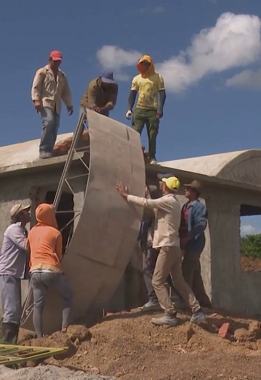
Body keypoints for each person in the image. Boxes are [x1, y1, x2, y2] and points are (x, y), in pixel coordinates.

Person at [116, 176, 206, 326]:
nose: (161, 185)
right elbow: (154, 208)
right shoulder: (174, 203)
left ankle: (169, 313)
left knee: (157, 281)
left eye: (163, 184)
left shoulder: (168, 201)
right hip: (174, 247)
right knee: (179, 281)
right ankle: (197, 311)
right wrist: (147, 194)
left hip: (167, 247)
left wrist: (126, 195)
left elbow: (147, 204)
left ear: (166, 187)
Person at [27, 203, 74, 337]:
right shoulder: (55, 233)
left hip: (35, 272)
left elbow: (28, 249)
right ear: (49, 216)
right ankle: (64, 329)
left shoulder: (31, 232)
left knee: (38, 306)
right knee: (68, 297)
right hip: (51, 271)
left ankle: (40, 337)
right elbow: (59, 256)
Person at [0, 203, 31, 344]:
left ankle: (12, 343)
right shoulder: (14, 229)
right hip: (7, 273)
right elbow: (26, 246)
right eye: (26, 212)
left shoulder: (22, 230)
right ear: (20, 215)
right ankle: (7, 344)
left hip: (13, 274)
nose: (29, 213)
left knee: (15, 310)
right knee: (11, 310)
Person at [31, 50, 74, 159]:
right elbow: (36, 86)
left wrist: (69, 104)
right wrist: (36, 100)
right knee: (49, 122)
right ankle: (43, 149)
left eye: (58, 61)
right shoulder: (42, 72)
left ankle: (49, 150)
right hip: (45, 102)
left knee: (55, 126)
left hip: (57, 105)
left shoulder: (62, 76)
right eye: (55, 61)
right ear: (50, 59)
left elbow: (66, 92)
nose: (57, 63)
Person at [125, 55, 166, 164]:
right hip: (139, 109)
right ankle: (133, 155)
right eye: (141, 64)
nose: (143, 66)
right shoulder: (136, 78)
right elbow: (132, 94)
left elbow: (162, 94)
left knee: (152, 134)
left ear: (149, 65)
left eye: (145, 64)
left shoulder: (158, 77)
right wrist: (129, 108)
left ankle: (152, 156)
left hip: (152, 110)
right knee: (134, 133)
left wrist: (160, 109)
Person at [178, 180, 212, 308]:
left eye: (188, 189)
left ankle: (187, 303)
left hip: (195, 243)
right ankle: (204, 302)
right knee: (195, 273)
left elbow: (200, 225)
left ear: (194, 192)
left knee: (186, 272)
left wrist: (188, 237)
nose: (185, 190)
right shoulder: (186, 206)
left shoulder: (199, 207)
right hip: (188, 243)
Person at [136, 184, 163, 312]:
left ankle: (154, 299)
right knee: (158, 272)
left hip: (152, 243)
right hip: (147, 242)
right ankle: (169, 298)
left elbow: (148, 212)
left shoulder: (155, 208)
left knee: (147, 269)